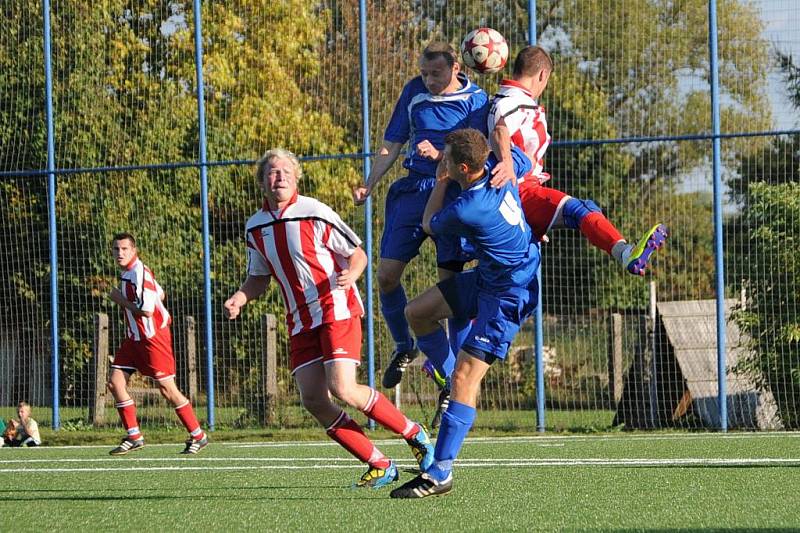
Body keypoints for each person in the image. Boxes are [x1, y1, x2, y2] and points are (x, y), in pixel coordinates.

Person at [224, 149, 434, 489]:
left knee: (343, 388)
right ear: (262, 181)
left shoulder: (315, 211)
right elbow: (258, 277)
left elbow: (358, 254)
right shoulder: (255, 226)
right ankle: (379, 463)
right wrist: (241, 297)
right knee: (313, 399)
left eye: (284, 172)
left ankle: (414, 433)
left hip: (336, 308)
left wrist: (351, 274)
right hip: (300, 319)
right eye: (272, 173)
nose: (278, 177)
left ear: (296, 177)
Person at [390, 129, 540, 498]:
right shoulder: (499, 167)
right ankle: (444, 375)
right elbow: (507, 139)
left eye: (445, 159)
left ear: (459, 167)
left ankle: (440, 472)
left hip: (508, 294)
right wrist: (504, 153)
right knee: (417, 312)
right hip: (490, 277)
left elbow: (428, 223)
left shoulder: (467, 209)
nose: (440, 161)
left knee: (466, 378)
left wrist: (440, 183)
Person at [352, 41, 489, 394]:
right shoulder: (413, 90)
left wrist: (443, 151)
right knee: (385, 276)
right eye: (424, 73)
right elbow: (392, 143)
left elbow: (476, 152)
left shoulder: (477, 100)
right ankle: (403, 346)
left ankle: (455, 379)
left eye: (436, 73)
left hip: (451, 193)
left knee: (452, 291)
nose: (428, 80)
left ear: (456, 67)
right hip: (413, 191)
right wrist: (369, 184)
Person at [488, 45, 668, 275]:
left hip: (517, 193)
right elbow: (500, 130)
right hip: (520, 190)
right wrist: (506, 164)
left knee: (511, 286)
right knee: (578, 209)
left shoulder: (507, 97)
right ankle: (626, 254)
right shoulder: (514, 100)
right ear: (543, 75)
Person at [107, 233, 208, 455]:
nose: (120, 253)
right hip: (134, 338)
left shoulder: (139, 273)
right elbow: (160, 294)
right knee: (115, 382)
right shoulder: (130, 273)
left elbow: (146, 310)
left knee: (167, 389)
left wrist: (119, 299)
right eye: (116, 249)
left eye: (125, 249)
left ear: (134, 251)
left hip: (153, 339)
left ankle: (198, 436)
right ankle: (134, 436)